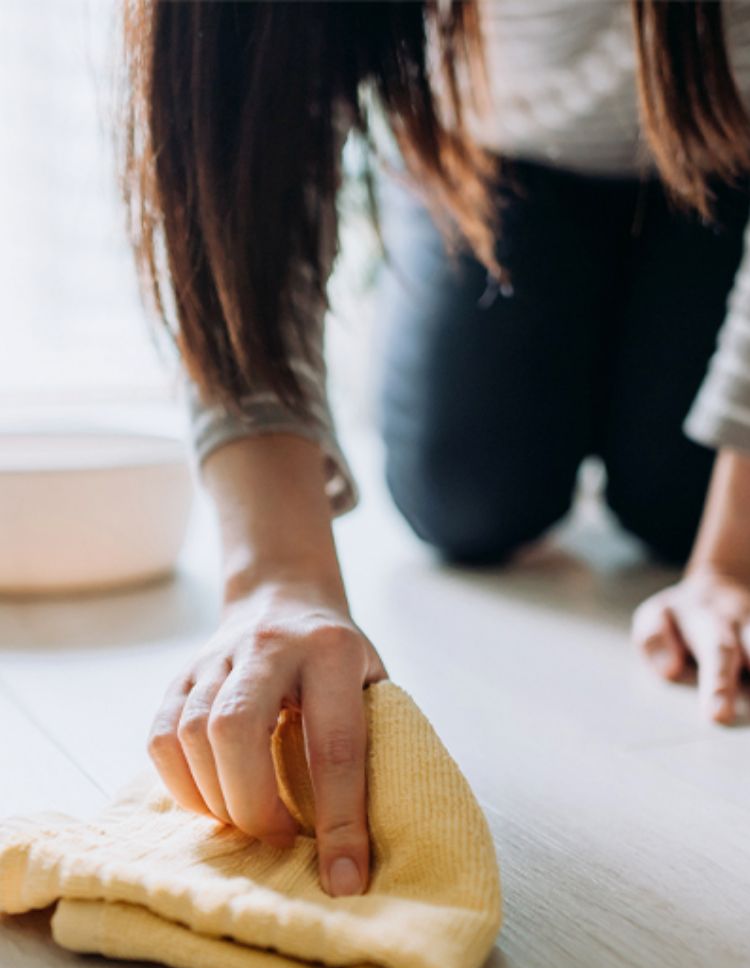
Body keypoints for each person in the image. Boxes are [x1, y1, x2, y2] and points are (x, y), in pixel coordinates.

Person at [121, 0, 750, 897]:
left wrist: (729, 560)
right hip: (494, 148)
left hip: (728, 158)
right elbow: (245, 136)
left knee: (674, 502)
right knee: (465, 496)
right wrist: (274, 575)